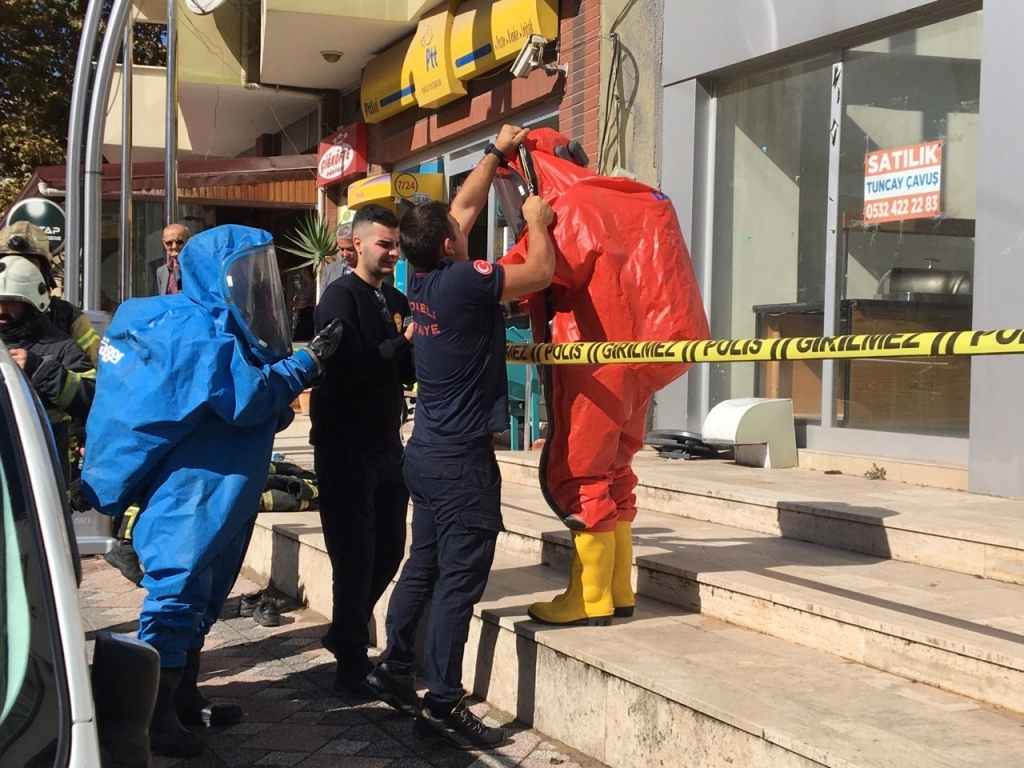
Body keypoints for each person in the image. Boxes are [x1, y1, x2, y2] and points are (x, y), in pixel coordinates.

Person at [81, 225, 343, 758]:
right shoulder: (197, 330)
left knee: (201, 593)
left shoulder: (214, 325)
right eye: (245, 273)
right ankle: (152, 717)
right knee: (177, 590)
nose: (256, 286)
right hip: (195, 484)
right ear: (212, 274)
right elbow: (246, 397)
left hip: (222, 481)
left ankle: (181, 697)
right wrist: (307, 363)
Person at [363, 125, 555, 751]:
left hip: (425, 453)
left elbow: (465, 207)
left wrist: (495, 150)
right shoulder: (466, 280)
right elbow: (540, 270)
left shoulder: (421, 276)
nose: (462, 222)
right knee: (459, 582)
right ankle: (443, 703)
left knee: (424, 562)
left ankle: (395, 667)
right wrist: (537, 220)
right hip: (461, 463)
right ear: (449, 244)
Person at [492, 129, 709, 627]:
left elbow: (525, 271)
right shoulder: (630, 198)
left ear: (533, 171)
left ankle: (589, 599)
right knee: (616, 472)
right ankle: (616, 590)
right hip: (642, 357)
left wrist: (460, 281)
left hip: (591, 360)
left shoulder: (571, 206)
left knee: (581, 473)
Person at [309, 203, 415, 696]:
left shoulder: (395, 299)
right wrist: (401, 344)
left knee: (389, 551)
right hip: (344, 447)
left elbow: (403, 370)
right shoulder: (338, 297)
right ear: (357, 244)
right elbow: (344, 368)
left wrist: (418, 346)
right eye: (384, 244)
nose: (393, 253)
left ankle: (343, 633)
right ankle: (350, 663)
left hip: (386, 445)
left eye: (397, 246)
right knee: (353, 558)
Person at [0, 255, 95, 485]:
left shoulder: (60, 346)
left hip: (43, 477)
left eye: (11, 301)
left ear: (32, 304)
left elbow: (92, 399)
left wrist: (41, 369)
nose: (1, 309)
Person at [0, 221, 101, 364]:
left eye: (30, 263)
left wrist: (41, 367)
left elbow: (93, 371)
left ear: (45, 271)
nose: (19, 271)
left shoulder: (69, 317)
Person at [318, 222, 357, 300]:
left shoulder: (371, 271)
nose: (345, 254)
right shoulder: (329, 271)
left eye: (350, 249)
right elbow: (323, 303)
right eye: (341, 249)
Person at [155, 223, 188, 295]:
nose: (174, 246)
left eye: (179, 242)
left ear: (188, 241)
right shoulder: (161, 272)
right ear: (164, 243)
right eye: (169, 243)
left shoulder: (197, 268)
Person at [291, 265, 315, 340]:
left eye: (305, 270)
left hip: (308, 315)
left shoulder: (311, 286)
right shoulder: (304, 285)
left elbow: (300, 303)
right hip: (302, 315)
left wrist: (296, 304)